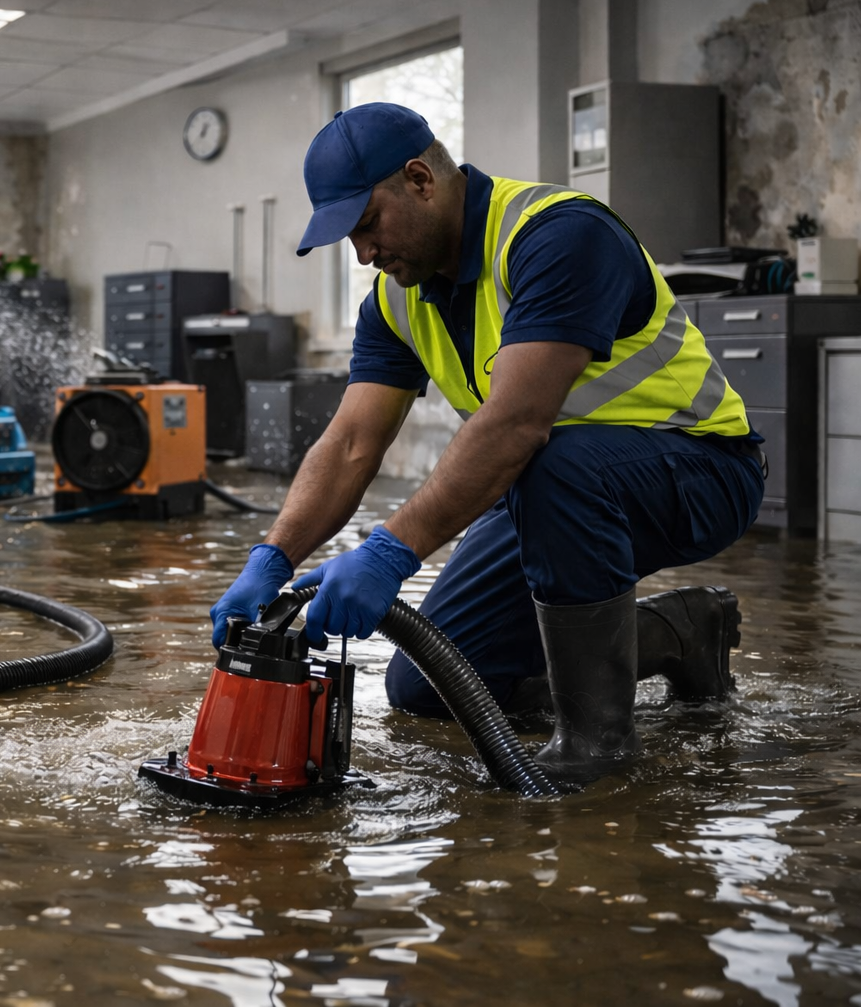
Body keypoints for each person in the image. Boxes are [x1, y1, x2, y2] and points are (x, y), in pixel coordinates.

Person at [210, 103, 766, 783]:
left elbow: (515, 426)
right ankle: (681, 633)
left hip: (700, 469)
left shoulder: (557, 236)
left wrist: (389, 552)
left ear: (421, 180)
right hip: (553, 486)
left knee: (552, 466)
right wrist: (271, 557)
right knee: (424, 685)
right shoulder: (395, 301)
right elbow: (352, 441)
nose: (363, 254)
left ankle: (596, 745)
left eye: (366, 226)